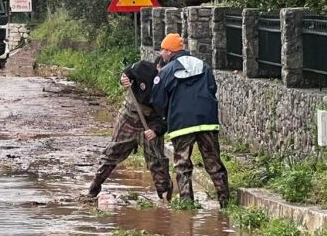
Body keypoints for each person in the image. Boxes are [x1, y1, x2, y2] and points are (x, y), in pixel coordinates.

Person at [149, 33, 229, 206]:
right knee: (213, 162)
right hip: (207, 121)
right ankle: (225, 201)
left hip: (181, 124)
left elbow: (157, 99)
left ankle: (186, 204)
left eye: (163, 49)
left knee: (182, 164)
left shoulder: (166, 72)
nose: (161, 53)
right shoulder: (203, 66)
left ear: (170, 51)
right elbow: (212, 88)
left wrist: (167, 115)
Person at [87, 56, 172, 199]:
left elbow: (171, 113)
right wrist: (123, 80)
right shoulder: (142, 67)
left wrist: (157, 130)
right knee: (112, 152)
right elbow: (126, 74)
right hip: (129, 115)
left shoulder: (172, 81)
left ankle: (164, 198)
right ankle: (94, 188)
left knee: (157, 161)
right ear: (156, 67)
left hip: (152, 122)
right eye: (160, 72)